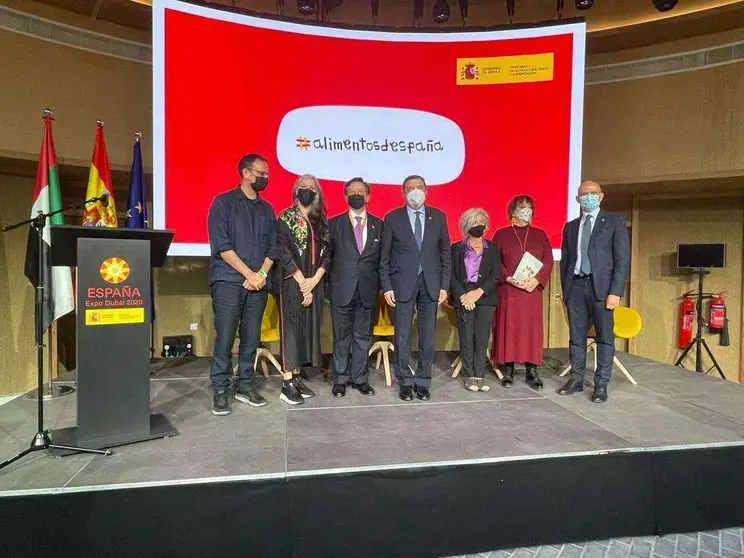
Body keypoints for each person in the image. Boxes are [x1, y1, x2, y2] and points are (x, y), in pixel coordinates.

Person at [207, 153, 276, 416]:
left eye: (267, 174)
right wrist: (249, 274)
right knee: (225, 338)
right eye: (262, 173)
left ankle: (245, 385)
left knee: (251, 339)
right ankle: (220, 389)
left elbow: (273, 248)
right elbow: (222, 246)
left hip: (258, 284)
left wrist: (260, 274)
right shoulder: (223, 203)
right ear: (246, 173)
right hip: (228, 281)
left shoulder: (267, 208)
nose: (266, 178)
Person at [379, 175, 451, 402]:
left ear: (426, 191)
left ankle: (422, 381)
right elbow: (385, 257)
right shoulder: (392, 218)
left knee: (427, 337)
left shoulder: (439, 217)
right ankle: (405, 381)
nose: (415, 192)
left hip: (430, 284)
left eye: (419, 187)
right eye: (410, 188)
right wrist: (387, 286)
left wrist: (444, 285)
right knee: (402, 336)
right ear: (403, 193)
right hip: (401, 285)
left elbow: (445, 254)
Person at [559, 181, 630, 403]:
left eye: (592, 193)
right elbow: (566, 261)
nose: (588, 197)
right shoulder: (571, 226)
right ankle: (576, 379)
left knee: (605, 338)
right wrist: (566, 291)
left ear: (600, 196)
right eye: (583, 194)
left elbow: (622, 260)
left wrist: (616, 292)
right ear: (577, 199)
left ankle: (601, 384)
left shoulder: (614, 222)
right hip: (577, 287)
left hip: (603, 289)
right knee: (576, 337)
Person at [275, 174, 330, 405]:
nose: (307, 190)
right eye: (303, 187)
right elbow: (283, 251)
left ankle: (297, 377)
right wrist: (301, 281)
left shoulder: (321, 220)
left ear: (316, 193)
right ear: (295, 190)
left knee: (306, 330)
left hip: (314, 283)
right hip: (291, 283)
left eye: (311, 187)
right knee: (291, 329)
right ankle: (286, 382)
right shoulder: (286, 217)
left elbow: (328, 253)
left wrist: (314, 281)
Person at [327, 178, 384, 397]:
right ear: (345, 196)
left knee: (363, 337)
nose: (356, 195)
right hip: (341, 290)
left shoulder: (379, 225)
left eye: (361, 192)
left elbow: (382, 260)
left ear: (368, 196)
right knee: (341, 337)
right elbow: (327, 259)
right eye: (352, 192)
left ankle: (359, 378)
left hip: (368, 291)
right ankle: (340, 379)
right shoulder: (333, 224)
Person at [491, 195, 554, 389]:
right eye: (521, 207)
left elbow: (548, 260)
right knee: (508, 327)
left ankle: (531, 370)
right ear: (512, 211)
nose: (525, 211)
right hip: (509, 290)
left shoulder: (540, 234)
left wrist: (536, 280)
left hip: (531, 291)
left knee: (531, 329)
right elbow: (495, 261)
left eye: (529, 208)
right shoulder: (501, 234)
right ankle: (508, 369)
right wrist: (508, 277)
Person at [450, 209, 500, 392]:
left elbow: (496, 275)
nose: (478, 225)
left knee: (481, 337)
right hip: (463, 296)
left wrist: (479, 292)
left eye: (481, 221)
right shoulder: (456, 248)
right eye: (473, 221)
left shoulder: (493, 248)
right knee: (466, 336)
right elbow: (451, 275)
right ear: (466, 225)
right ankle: (469, 375)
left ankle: (480, 375)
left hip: (484, 296)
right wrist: (463, 295)